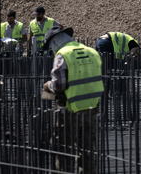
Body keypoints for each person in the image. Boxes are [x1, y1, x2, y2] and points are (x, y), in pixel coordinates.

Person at [42, 25, 104, 174]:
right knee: (87, 152)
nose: (52, 51)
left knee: (64, 152)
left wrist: (47, 86)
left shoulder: (63, 55)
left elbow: (59, 86)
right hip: (91, 110)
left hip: (69, 111)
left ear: (55, 42)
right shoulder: (92, 52)